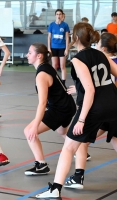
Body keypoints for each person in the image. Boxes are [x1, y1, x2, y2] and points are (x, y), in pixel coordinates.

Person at [36, 22, 117, 199]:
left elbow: (90, 90)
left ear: (76, 38)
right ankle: (76, 177)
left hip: (94, 108)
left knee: (68, 148)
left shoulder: (78, 59)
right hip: (114, 105)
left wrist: (81, 119)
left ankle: (55, 190)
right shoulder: (102, 54)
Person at [62, 32, 117, 190]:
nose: (96, 46)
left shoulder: (101, 59)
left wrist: (81, 115)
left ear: (104, 48)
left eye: (99, 44)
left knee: (81, 141)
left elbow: (92, 88)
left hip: (99, 108)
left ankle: (78, 176)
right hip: (112, 106)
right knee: (114, 138)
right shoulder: (104, 58)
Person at [23, 43, 76, 176]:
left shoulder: (41, 75)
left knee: (29, 131)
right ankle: (81, 151)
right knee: (62, 130)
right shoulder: (46, 67)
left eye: (30, 52)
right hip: (68, 105)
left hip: (60, 109)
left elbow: (42, 103)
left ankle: (41, 165)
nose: (26, 55)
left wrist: (35, 126)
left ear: (39, 56)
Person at [47, 9, 70, 85]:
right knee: (54, 66)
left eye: (60, 14)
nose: (58, 16)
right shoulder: (51, 25)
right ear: (55, 15)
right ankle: (54, 81)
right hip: (53, 47)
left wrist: (67, 48)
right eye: (57, 14)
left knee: (62, 66)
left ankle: (63, 82)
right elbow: (49, 37)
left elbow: (67, 38)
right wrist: (49, 48)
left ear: (62, 15)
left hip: (62, 47)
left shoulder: (65, 25)